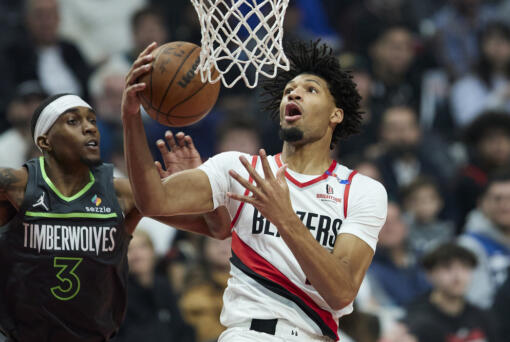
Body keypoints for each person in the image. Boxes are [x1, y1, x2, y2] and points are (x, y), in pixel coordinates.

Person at [122, 40, 388, 342]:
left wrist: (286, 219)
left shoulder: (363, 190)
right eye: (289, 90)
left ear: (335, 115)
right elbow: (152, 201)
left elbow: (341, 293)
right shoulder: (237, 167)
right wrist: (131, 117)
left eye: (310, 89)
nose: (294, 92)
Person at [0, 93, 229, 341]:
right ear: (45, 141)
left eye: (92, 120)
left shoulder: (121, 193)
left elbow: (216, 229)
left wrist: (198, 184)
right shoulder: (15, 185)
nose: (89, 127)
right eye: (74, 121)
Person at [405, 242, 499, 342]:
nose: (457, 276)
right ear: (430, 274)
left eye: (465, 267)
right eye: (447, 267)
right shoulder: (417, 322)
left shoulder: (483, 317)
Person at [115, 230, 195, 342]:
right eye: (129, 249)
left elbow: (180, 328)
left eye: (142, 246)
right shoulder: (117, 294)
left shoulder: (164, 286)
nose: (137, 254)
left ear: (152, 251)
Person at [459, 170, 510, 309]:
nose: (505, 205)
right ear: (481, 203)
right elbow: (477, 302)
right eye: (497, 199)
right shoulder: (469, 245)